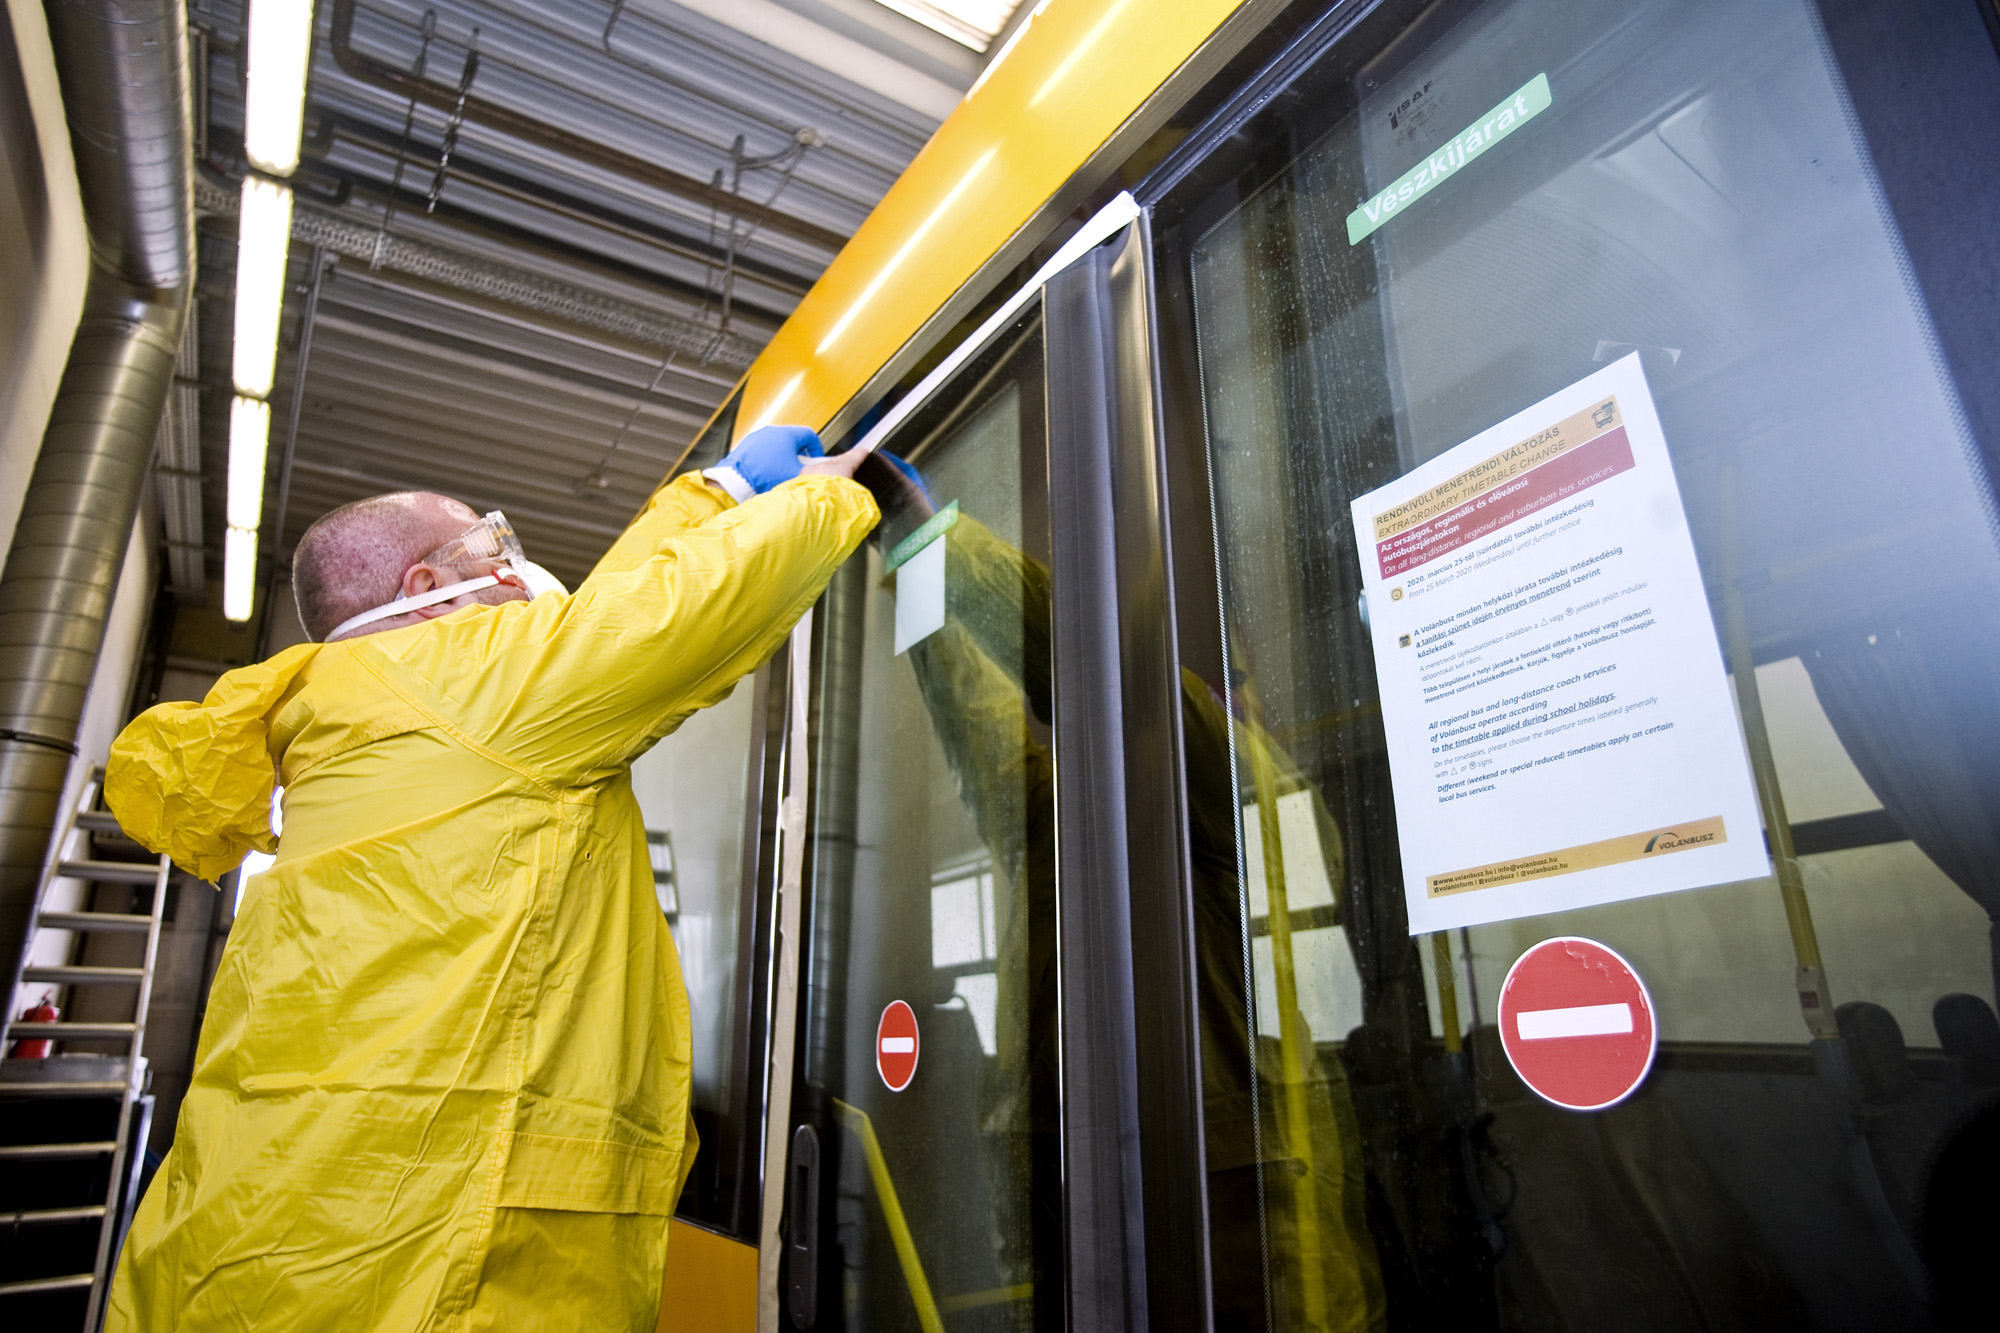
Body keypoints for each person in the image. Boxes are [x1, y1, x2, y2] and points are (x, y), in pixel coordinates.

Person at [101, 427, 876, 1331]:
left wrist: (719, 490)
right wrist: (821, 495)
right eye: (492, 549)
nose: (516, 570)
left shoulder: (358, 710)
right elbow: (671, 612)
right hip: (429, 1271)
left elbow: (588, 632)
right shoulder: (470, 688)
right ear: (426, 588)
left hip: (260, 1247)